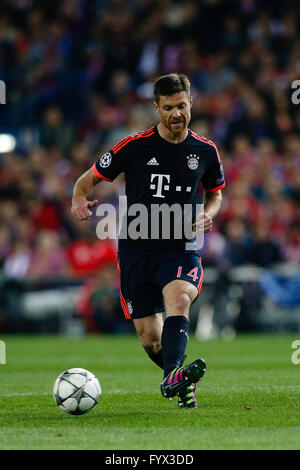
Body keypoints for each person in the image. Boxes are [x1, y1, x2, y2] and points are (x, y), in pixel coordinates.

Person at [71, 73, 225, 408]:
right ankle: (179, 380)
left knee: (180, 299)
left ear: (190, 103)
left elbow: (216, 193)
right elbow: (86, 182)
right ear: (156, 107)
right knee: (149, 338)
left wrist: (210, 212)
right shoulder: (133, 146)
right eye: (168, 107)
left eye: (181, 105)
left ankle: (172, 375)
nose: (176, 113)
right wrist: (79, 200)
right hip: (137, 247)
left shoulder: (205, 151)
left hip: (180, 247)